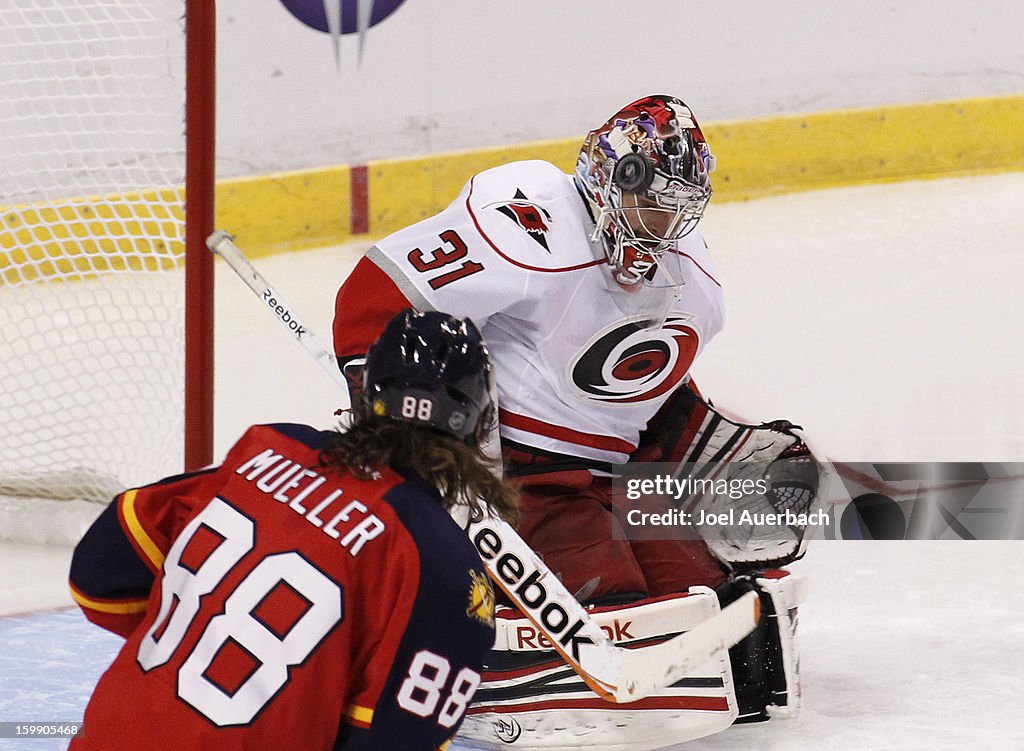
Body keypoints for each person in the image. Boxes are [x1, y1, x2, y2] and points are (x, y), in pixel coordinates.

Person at [332, 95, 820, 744]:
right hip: (513, 477)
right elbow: (374, 293)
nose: (662, 227)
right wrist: (392, 412)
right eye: (653, 204)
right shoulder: (529, 222)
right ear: (610, 178)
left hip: (616, 479)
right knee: (618, 609)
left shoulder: (695, 283)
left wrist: (694, 437)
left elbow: (640, 384)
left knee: (708, 600)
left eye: (679, 209)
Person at [68, 309, 518, 751]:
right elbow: (396, 737)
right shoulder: (445, 568)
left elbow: (98, 574)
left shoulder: (268, 450)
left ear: (367, 394)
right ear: (479, 422)